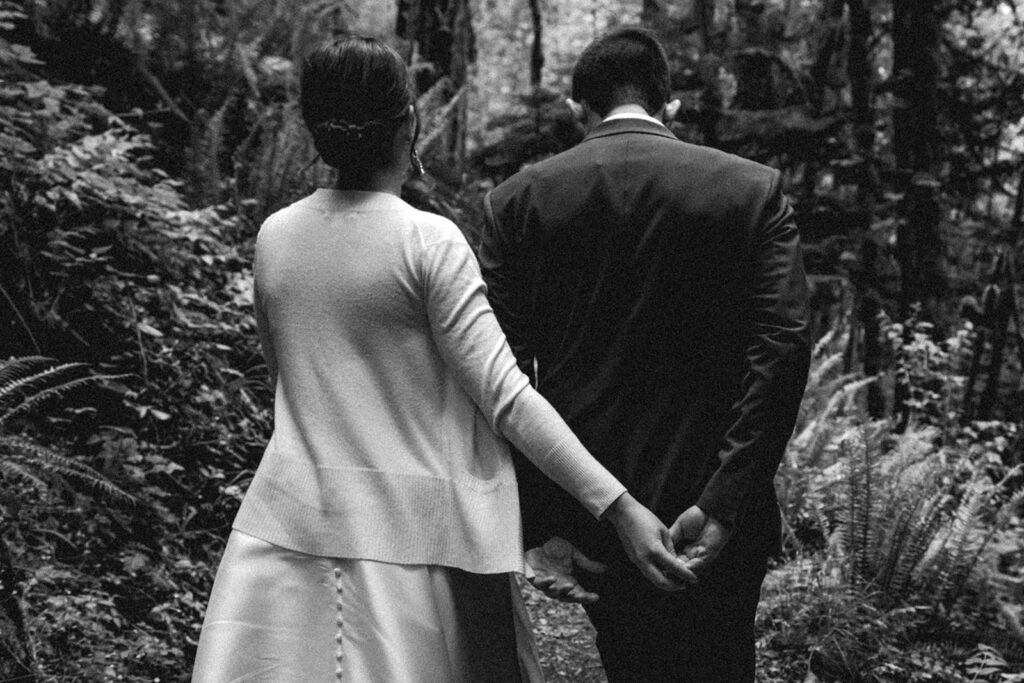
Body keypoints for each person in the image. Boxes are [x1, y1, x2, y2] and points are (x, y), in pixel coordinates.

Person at [191, 35, 695, 683]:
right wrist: (618, 506)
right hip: (415, 553)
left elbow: (286, 386)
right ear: (411, 121)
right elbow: (506, 398)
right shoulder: (428, 242)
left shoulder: (276, 236)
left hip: (289, 540)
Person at [478, 27, 812, 682]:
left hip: (596, 515)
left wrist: (546, 518)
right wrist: (725, 497)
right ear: (671, 105)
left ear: (579, 110)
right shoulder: (751, 190)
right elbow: (783, 345)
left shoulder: (516, 203)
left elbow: (502, 375)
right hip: (719, 510)